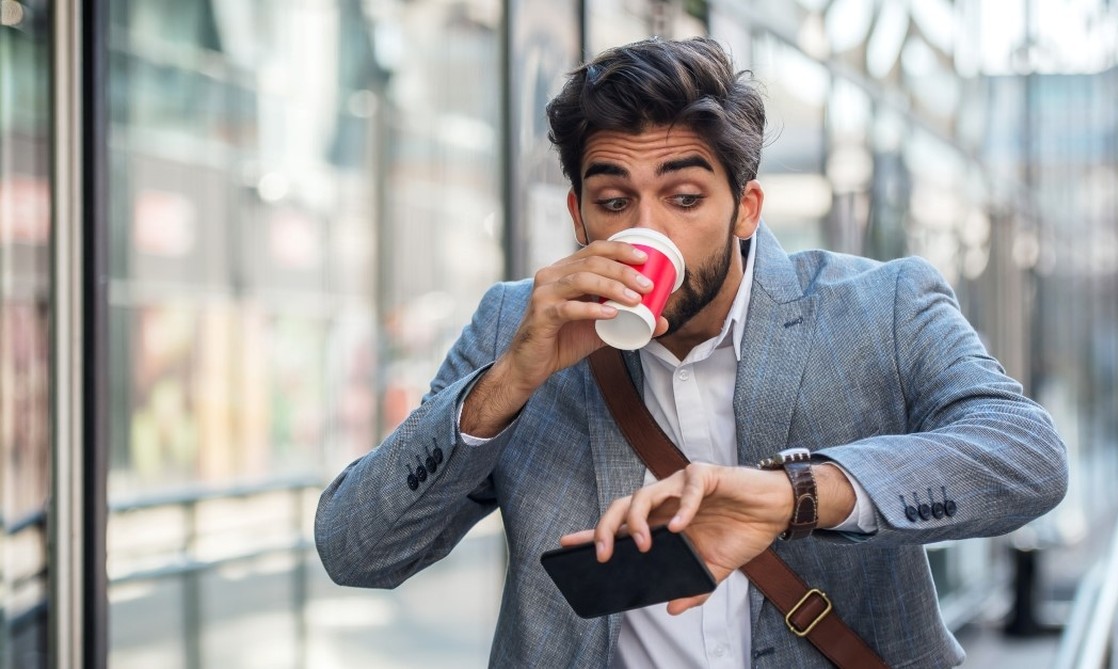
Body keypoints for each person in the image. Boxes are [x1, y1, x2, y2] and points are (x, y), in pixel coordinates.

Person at [315, 36, 1068, 668]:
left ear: (745, 206)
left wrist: (796, 494)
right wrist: (508, 382)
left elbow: (1028, 456)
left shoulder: (880, 306)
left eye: (684, 198)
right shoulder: (518, 325)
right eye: (615, 203)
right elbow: (357, 550)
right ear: (579, 214)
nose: (649, 229)